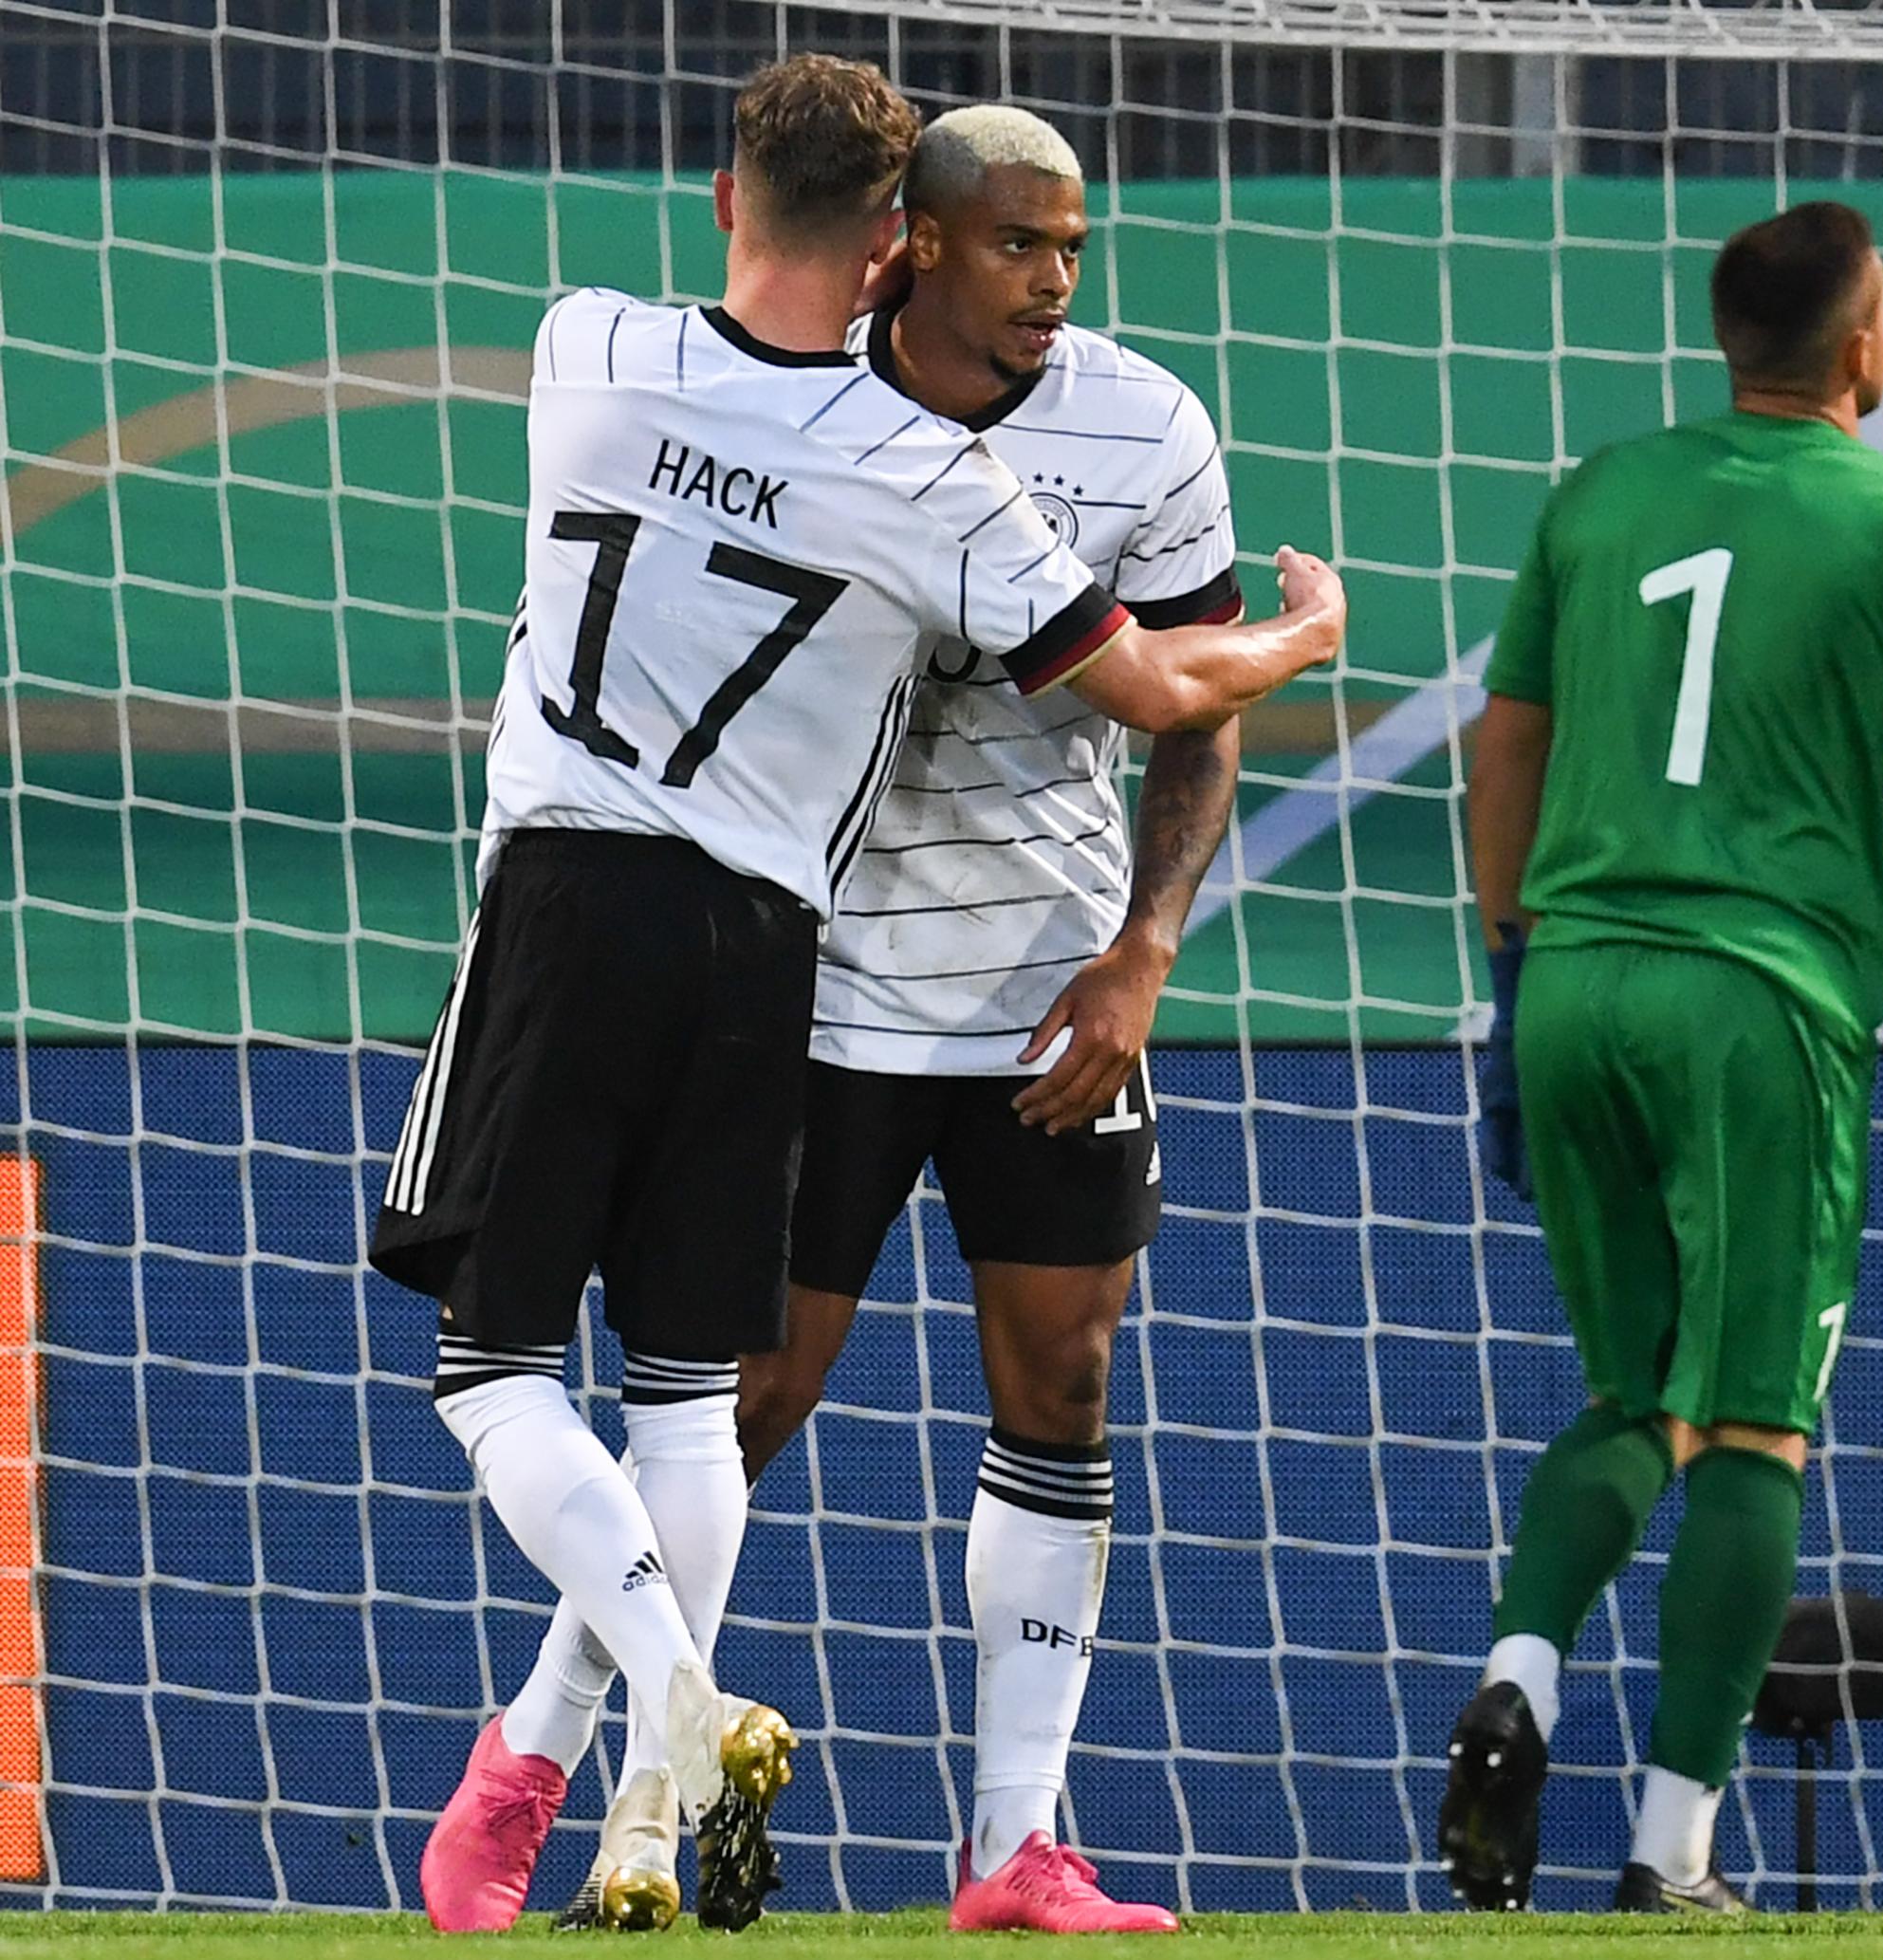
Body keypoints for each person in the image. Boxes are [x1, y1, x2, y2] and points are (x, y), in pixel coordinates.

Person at [378, 57, 1348, 1936]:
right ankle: (576, 1758)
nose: (1055, 277)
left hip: (1037, 990)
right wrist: (1310, 633)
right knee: (732, 1397)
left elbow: (1178, 731)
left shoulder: (1117, 425)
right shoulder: (914, 465)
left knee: (1051, 1380)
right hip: (807, 976)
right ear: (912, 250)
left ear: (735, 201)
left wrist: (1147, 949)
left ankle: (1007, 1848)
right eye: (1014, 243)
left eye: (1075, 245)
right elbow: (1167, 679)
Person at [1438, 199, 1883, 1915]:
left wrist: (1508, 977)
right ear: (1869, 343)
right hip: (1759, 1001)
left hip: (1571, 976)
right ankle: (1670, 1853)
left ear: (1727, 339)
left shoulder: (1601, 490)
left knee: (1631, 1398)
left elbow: (1503, 758)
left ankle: (1519, 1678)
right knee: (1754, 1432)